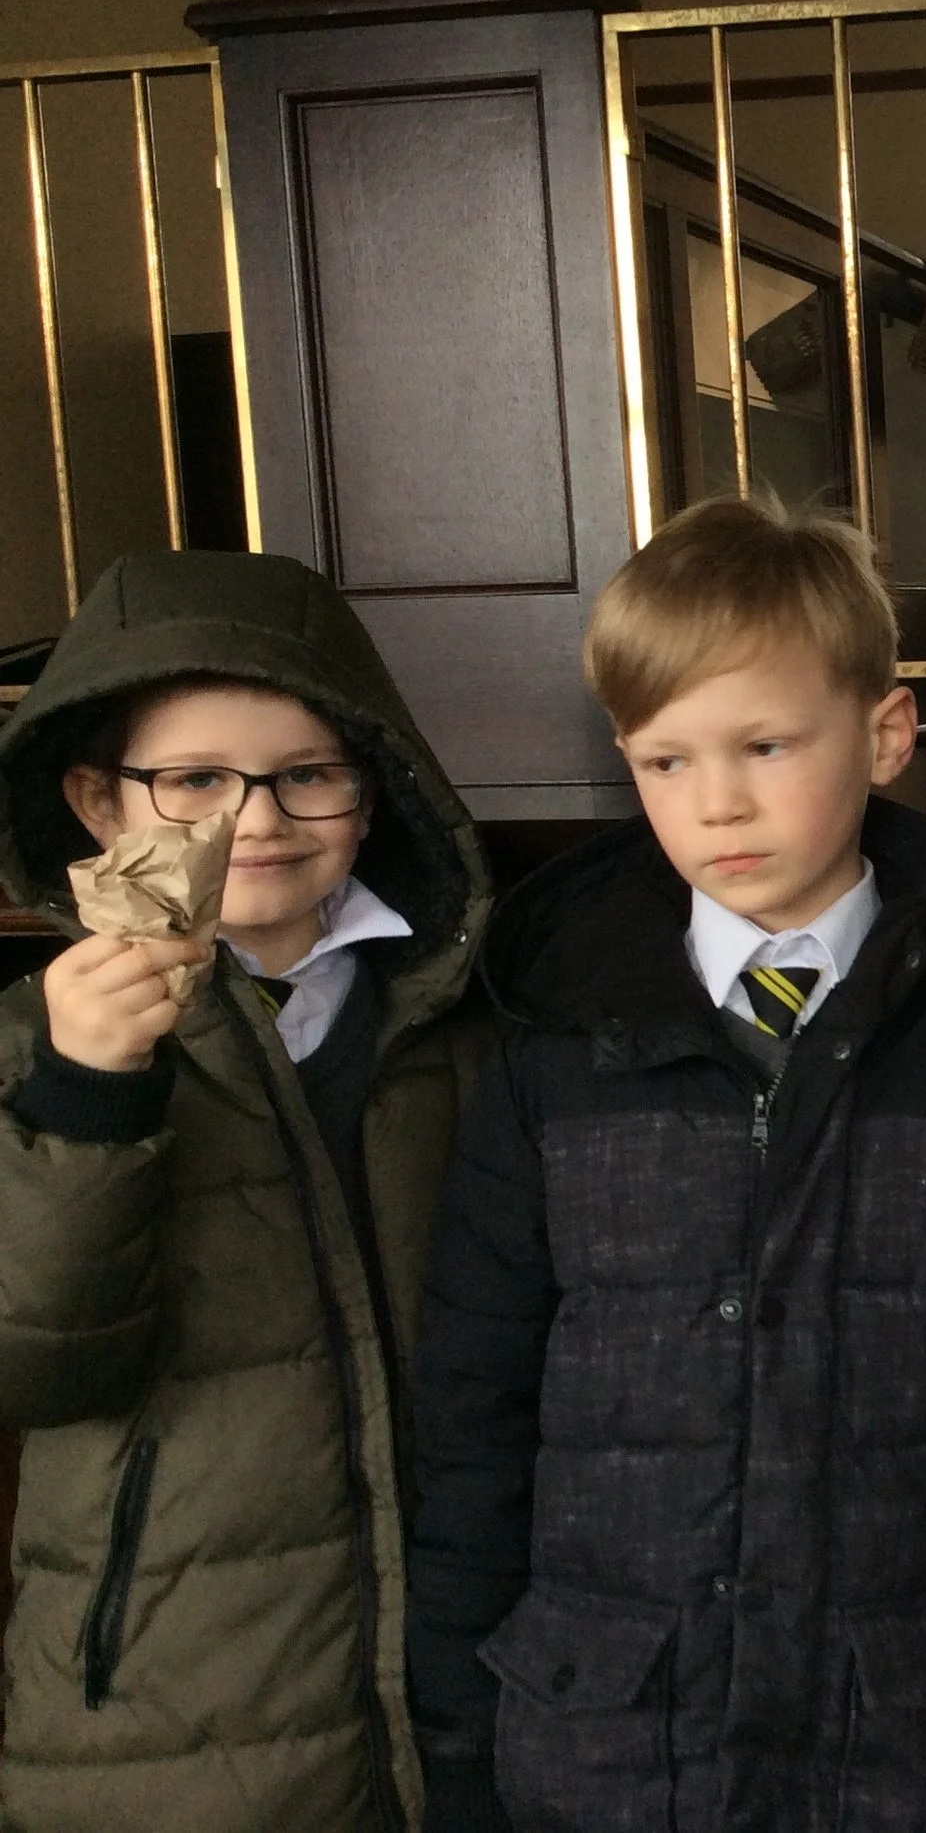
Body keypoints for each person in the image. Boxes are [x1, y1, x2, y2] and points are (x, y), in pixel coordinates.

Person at [404, 497, 926, 1832]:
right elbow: (474, 1414)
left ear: (883, 735)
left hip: (907, 1729)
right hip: (603, 1739)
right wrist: (456, 1745)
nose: (717, 800)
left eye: (766, 745)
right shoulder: (554, 1041)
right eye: (666, 761)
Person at [0, 550, 494, 1830]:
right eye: (196, 780)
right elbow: (35, 1360)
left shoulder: (459, 1024)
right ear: (98, 801)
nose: (256, 820)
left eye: (306, 775)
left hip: (450, 1680)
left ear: (375, 792)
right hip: (164, 1709)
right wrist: (88, 1094)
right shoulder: (31, 1045)